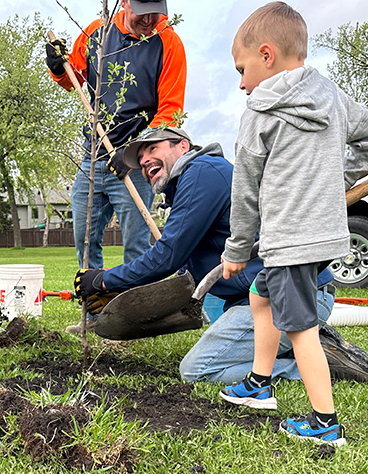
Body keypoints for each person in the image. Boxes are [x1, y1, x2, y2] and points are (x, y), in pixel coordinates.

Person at [74, 125, 368, 387]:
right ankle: (300, 342)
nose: (144, 160)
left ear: (183, 146)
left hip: (292, 296)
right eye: (139, 159)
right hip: (265, 297)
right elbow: (181, 272)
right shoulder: (191, 184)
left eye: (152, 148)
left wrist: (102, 279)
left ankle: (317, 362)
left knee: (197, 370)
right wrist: (127, 290)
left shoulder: (202, 174)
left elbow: (167, 256)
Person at [220, 2, 368, 446]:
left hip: (290, 240)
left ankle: (325, 423)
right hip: (324, 236)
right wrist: (341, 176)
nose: (242, 83)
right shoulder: (334, 97)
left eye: (242, 69)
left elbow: (244, 192)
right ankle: (259, 384)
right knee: (260, 295)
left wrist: (236, 249)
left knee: (300, 326)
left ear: (267, 55)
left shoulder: (259, 113)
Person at [46, 0, 186, 333]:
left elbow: (170, 111)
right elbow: (73, 79)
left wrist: (136, 153)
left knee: (136, 245)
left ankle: (131, 318)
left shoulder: (168, 41)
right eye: (143, 10)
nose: (151, 19)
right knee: (84, 241)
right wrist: (55, 66)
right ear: (124, 3)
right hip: (92, 157)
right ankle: (94, 320)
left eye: (157, 9)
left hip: (136, 161)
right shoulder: (96, 33)